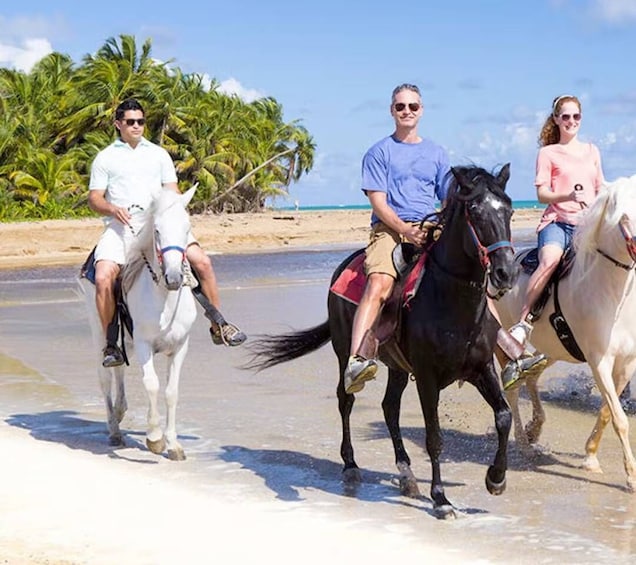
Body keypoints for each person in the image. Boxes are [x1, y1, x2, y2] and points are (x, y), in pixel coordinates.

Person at [88, 98, 246, 368]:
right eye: (130, 122)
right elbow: (94, 199)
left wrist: (175, 212)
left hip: (160, 224)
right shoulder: (105, 157)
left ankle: (219, 325)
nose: (136, 126)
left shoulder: (159, 154)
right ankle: (111, 344)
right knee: (103, 276)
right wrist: (112, 209)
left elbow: (171, 189)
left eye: (140, 121)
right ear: (118, 124)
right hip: (122, 227)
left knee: (203, 262)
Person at [344, 83, 451, 394]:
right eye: (401, 106)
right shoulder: (379, 152)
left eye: (413, 106)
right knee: (379, 283)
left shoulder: (437, 153)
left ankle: (511, 351)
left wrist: (440, 226)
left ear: (422, 110)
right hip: (390, 229)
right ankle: (357, 360)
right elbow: (378, 201)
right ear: (392, 111)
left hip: (430, 226)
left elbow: (446, 199)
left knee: (472, 273)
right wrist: (405, 230)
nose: (407, 111)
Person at [501, 94, 604, 388]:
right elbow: (542, 194)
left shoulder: (592, 151)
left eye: (576, 117)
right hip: (557, 222)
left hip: (587, 224)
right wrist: (567, 196)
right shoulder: (548, 154)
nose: (571, 122)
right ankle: (523, 324)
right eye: (566, 117)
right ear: (556, 119)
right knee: (550, 260)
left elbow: (600, 187)